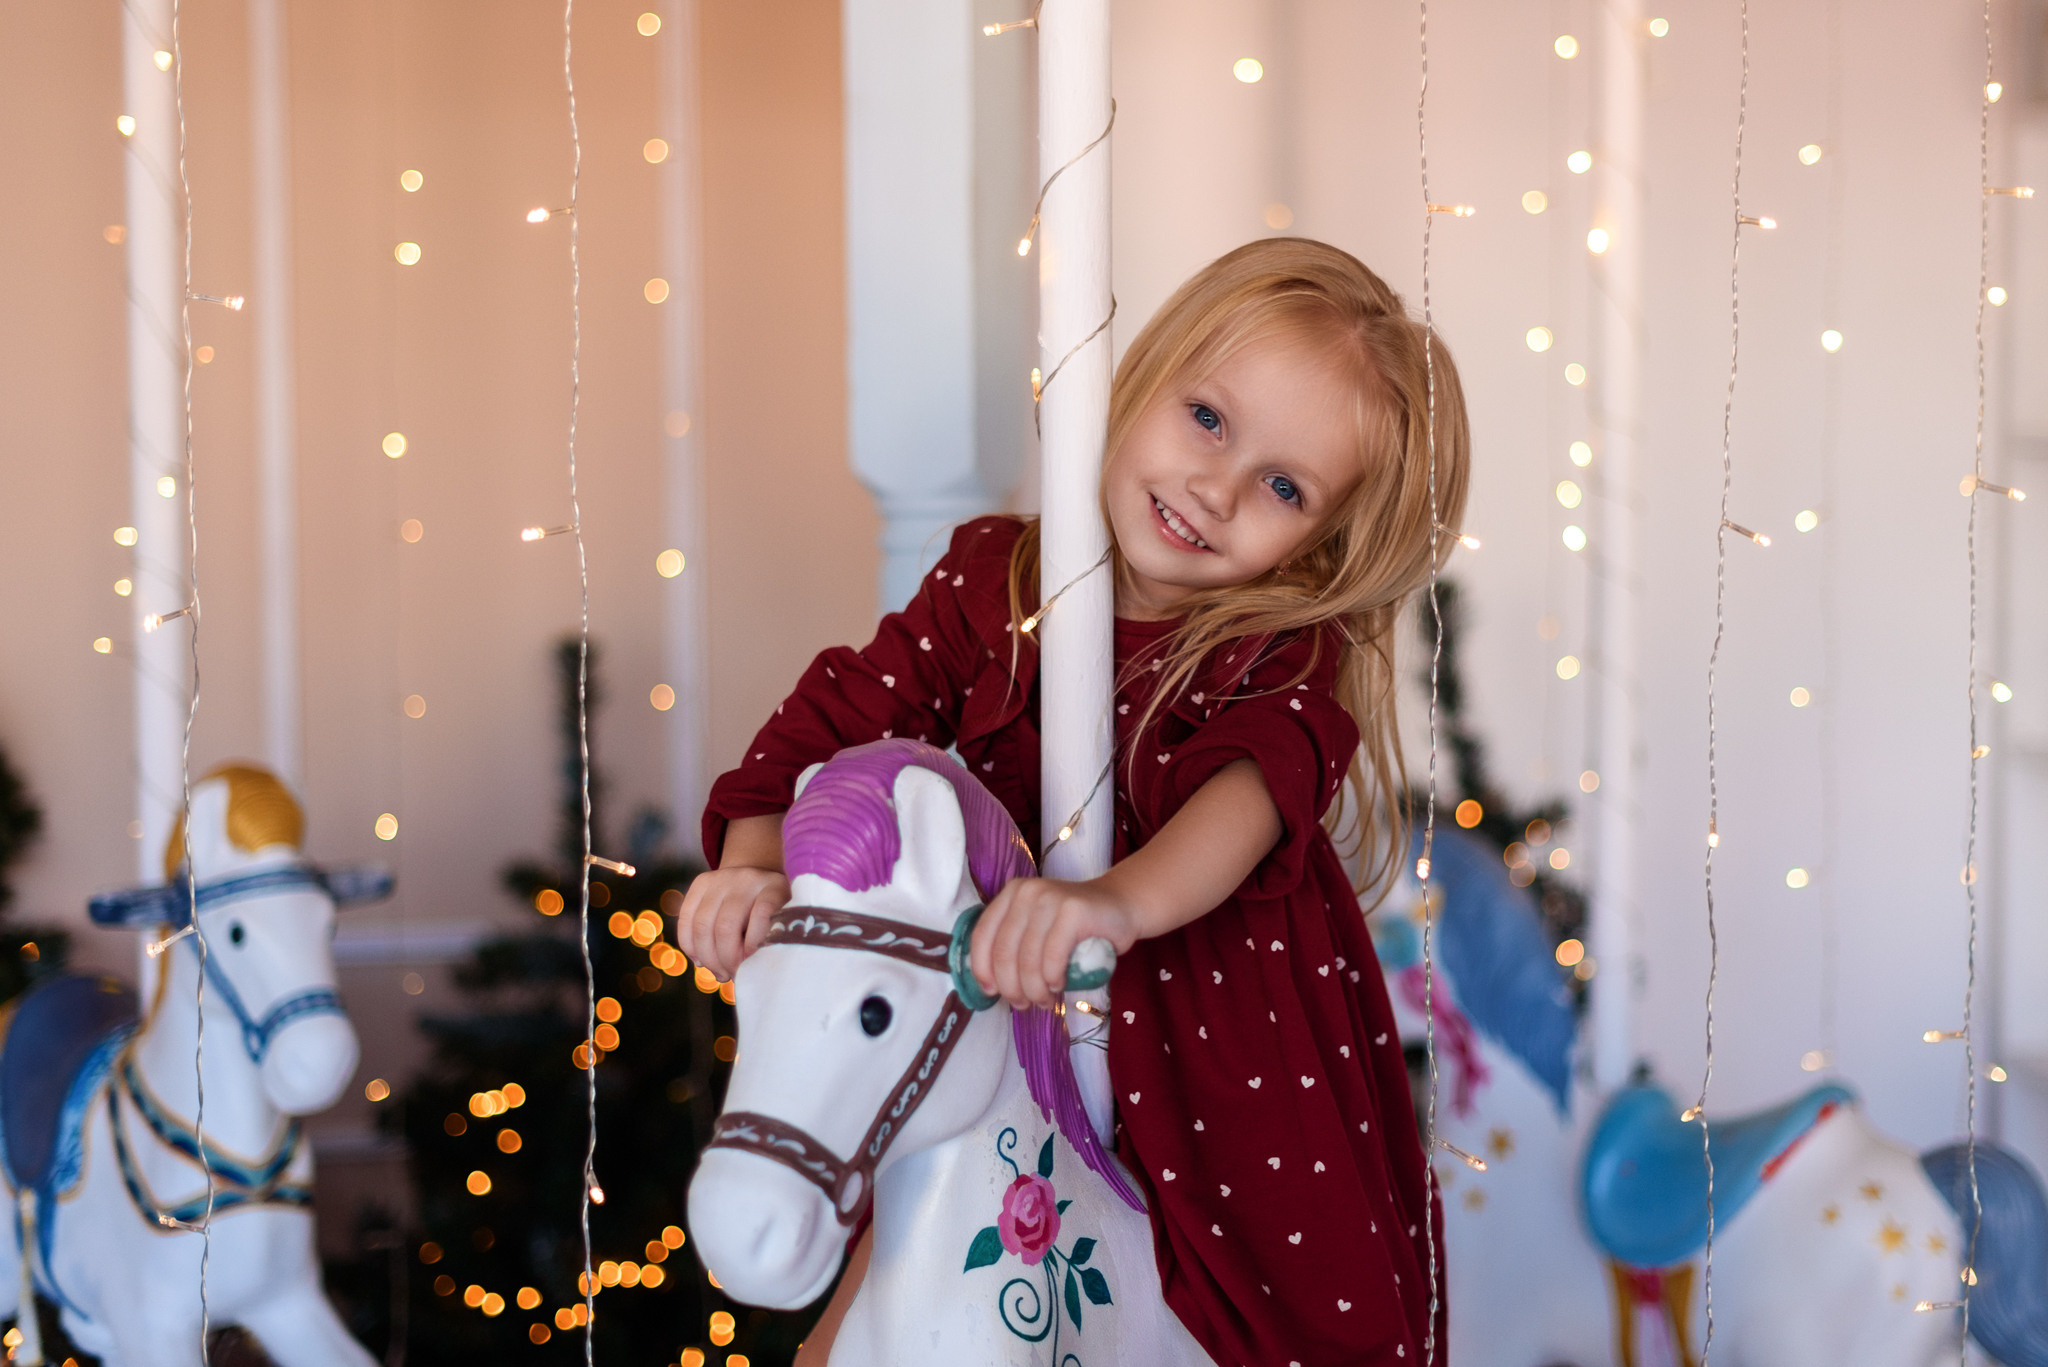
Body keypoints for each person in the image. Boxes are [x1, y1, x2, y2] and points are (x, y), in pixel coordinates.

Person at [681, 236, 1471, 1366]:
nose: (1217, 486)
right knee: (890, 1269)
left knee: (1287, 1303)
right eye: (1207, 417)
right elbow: (824, 723)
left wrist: (1111, 902)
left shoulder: (1278, 648)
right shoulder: (994, 582)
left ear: (1320, 543)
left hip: (1208, 1041)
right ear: (1144, 376)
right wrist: (751, 865)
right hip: (1003, 1022)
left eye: (1283, 486)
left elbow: (1244, 797)